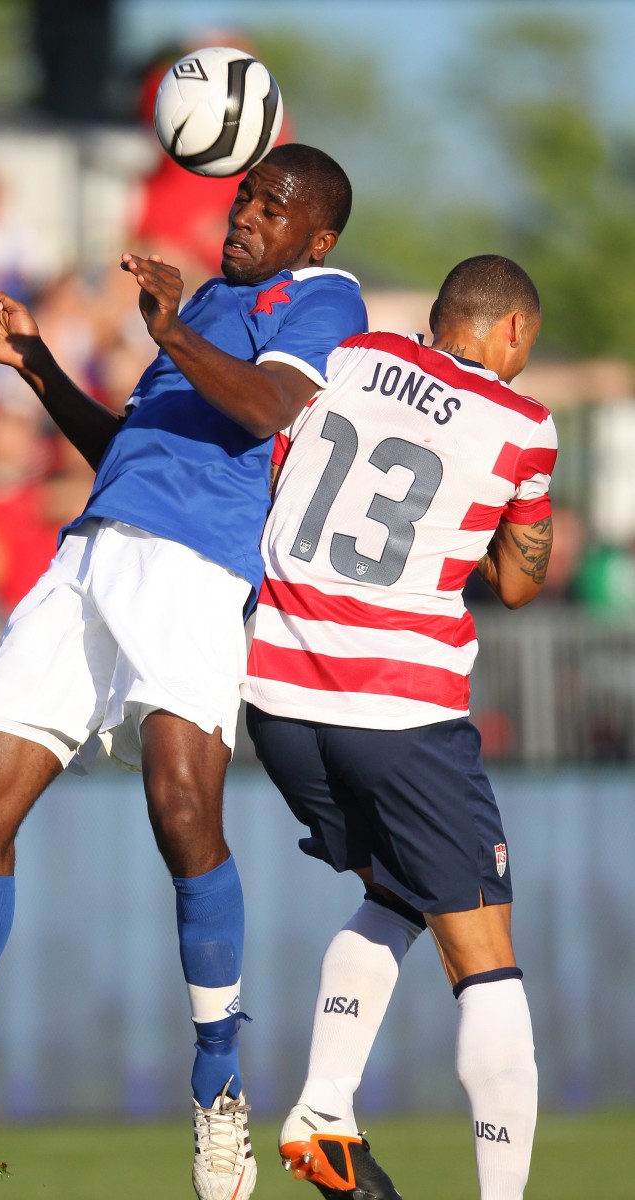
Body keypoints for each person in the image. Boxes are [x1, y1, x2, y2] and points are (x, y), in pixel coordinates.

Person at [0, 143, 367, 1200]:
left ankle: (218, 1090)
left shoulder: (325, 299)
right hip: (94, 551)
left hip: (200, 566)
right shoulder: (205, 300)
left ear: (318, 235)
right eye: (246, 195)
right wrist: (34, 363)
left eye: (272, 205)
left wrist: (163, 330)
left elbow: (263, 410)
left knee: (180, 812)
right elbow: (129, 445)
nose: (247, 212)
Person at [243, 255, 556, 1200]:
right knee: (486, 958)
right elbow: (515, 585)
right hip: (401, 706)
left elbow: (282, 477)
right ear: (508, 331)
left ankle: (323, 1109)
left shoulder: (344, 358)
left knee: (396, 892)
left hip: (279, 693)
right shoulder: (521, 422)